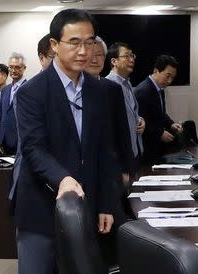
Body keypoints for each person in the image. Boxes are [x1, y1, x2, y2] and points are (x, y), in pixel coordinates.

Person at [14, 9, 116, 274]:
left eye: (89, 42)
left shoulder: (99, 91)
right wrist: (63, 178)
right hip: (40, 210)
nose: (84, 51)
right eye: (74, 42)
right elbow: (34, 148)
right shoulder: (31, 92)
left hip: (87, 208)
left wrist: (106, 203)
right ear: (54, 45)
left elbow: (105, 152)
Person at [85, 36, 133, 266]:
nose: (95, 59)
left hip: (111, 171)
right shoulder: (72, 89)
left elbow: (123, 133)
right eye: (91, 54)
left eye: (100, 55)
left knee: (113, 228)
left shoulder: (111, 89)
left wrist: (126, 169)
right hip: (82, 174)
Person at [135, 55, 182, 165]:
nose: (170, 81)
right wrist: (159, 133)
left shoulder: (159, 89)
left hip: (157, 147)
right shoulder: (143, 90)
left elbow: (161, 113)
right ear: (156, 71)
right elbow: (140, 121)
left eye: (172, 78)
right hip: (146, 147)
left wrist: (171, 124)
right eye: (167, 76)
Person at [106, 42, 145, 170]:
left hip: (135, 149)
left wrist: (140, 120)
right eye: (126, 56)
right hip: (121, 155)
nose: (131, 59)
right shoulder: (108, 85)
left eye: (132, 56)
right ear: (114, 61)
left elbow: (132, 112)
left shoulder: (127, 83)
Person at [0, 52, 27, 155]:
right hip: (4, 143)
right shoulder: (5, 90)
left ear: (24, 68)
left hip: (21, 142)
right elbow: (1, 116)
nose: (13, 71)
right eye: (11, 67)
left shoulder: (30, 88)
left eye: (17, 67)